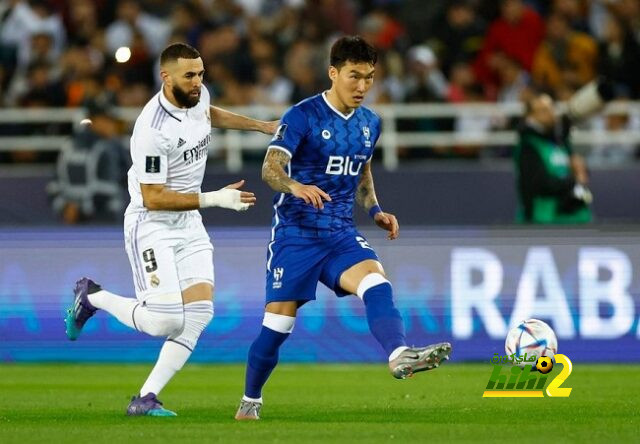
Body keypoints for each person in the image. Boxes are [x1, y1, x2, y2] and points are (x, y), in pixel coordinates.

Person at [234, 36, 452, 421]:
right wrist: (296, 186)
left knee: (376, 282)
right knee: (277, 326)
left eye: (369, 77)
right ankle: (250, 400)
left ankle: (399, 354)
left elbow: (362, 170)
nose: (362, 86)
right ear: (333, 73)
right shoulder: (301, 116)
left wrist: (376, 209)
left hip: (338, 231)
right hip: (295, 235)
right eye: (354, 76)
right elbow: (269, 169)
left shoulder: (371, 123)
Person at [64, 42, 278, 416]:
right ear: (166, 77)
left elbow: (207, 114)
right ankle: (92, 296)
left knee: (199, 313)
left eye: (200, 74)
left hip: (189, 221)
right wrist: (214, 199)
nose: (198, 82)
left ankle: (144, 399)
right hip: (153, 224)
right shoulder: (151, 129)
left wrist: (260, 126)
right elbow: (153, 198)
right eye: (189, 76)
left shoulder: (197, 95)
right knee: (166, 321)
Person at [514, 93, 592, 224]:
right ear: (530, 118)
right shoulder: (529, 145)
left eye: (551, 108)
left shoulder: (560, 142)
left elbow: (579, 171)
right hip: (544, 218)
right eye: (543, 111)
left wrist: (581, 171)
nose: (551, 114)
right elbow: (541, 184)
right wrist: (574, 179)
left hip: (573, 215)